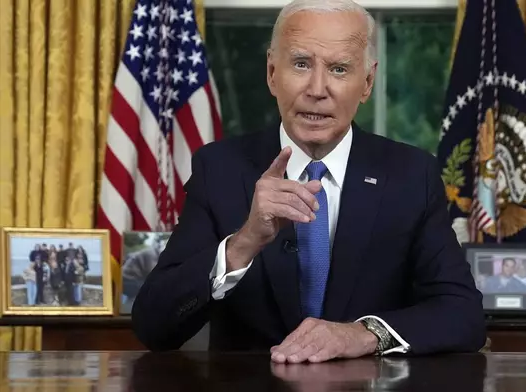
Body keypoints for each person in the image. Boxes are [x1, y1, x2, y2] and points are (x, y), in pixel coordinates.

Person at [132, 0, 485, 362]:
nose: (317, 89)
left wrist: (362, 334)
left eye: (339, 69)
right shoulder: (220, 169)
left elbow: (463, 314)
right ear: (272, 72)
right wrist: (243, 243)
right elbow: (153, 326)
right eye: (301, 64)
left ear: (366, 83)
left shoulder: (412, 174)